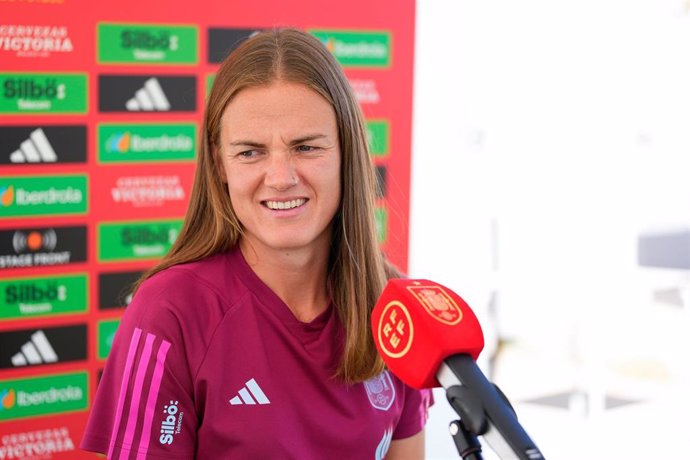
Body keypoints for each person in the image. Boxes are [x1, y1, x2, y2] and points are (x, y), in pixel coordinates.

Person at [81, 28, 433, 459]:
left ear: (347, 152)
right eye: (250, 152)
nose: (281, 177)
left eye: (306, 147)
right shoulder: (169, 312)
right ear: (219, 163)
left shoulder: (396, 309)